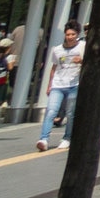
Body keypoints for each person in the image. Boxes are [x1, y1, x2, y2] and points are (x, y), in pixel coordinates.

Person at [35, 21, 84, 152]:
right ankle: (43, 139)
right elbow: (54, 67)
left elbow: (91, 63)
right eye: (68, 34)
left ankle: (67, 138)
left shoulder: (82, 47)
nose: (70, 37)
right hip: (58, 84)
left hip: (74, 84)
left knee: (70, 113)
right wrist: (50, 85)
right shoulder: (57, 50)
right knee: (51, 111)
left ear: (77, 34)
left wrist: (81, 61)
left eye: (73, 34)